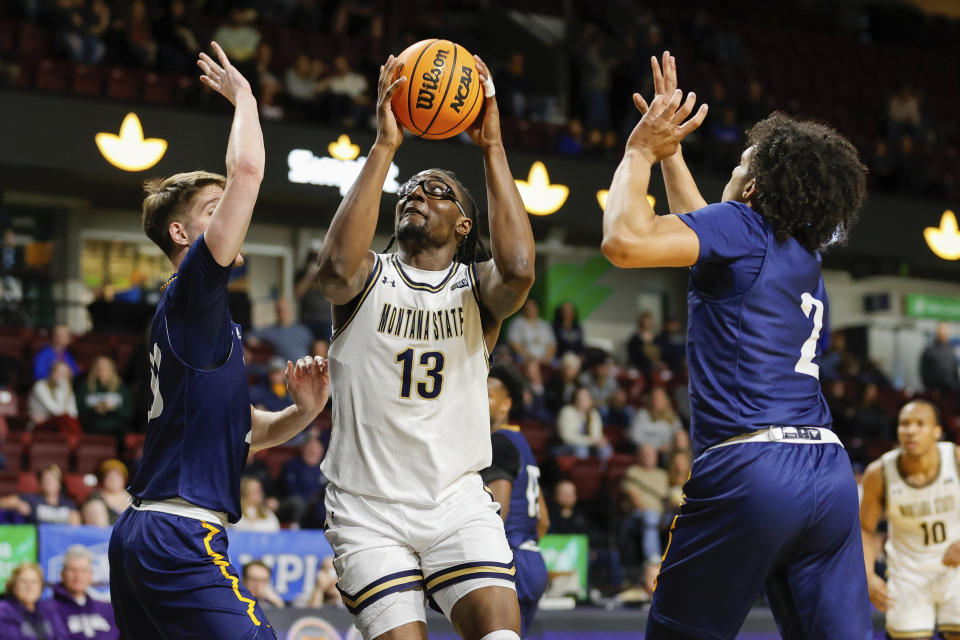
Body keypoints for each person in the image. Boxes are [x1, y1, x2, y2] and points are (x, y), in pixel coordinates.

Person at [601, 52, 870, 638]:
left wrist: (640, 152)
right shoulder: (802, 256)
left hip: (753, 468)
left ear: (750, 186)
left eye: (743, 160)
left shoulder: (740, 226)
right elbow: (700, 229)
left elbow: (624, 241)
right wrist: (673, 155)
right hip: (826, 472)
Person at [108, 42, 330, 640]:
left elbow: (245, 432)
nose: (230, 213)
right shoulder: (194, 290)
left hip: (143, 532)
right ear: (181, 232)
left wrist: (301, 413)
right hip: (178, 536)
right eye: (213, 208)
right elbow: (250, 172)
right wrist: (247, 98)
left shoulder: (199, 320)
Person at [314, 53, 534, 640]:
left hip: (455, 501)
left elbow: (517, 268)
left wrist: (491, 147)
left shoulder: (476, 288)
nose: (418, 194)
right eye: (410, 190)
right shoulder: (367, 278)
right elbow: (334, 267)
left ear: (464, 224)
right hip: (367, 507)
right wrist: (385, 147)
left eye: (437, 192)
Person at [860, 400, 960, 640]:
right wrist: (869, 576)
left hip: (955, 570)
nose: (910, 430)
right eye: (904, 424)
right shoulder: (879, 472)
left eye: (920, 424)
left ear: (937, 431)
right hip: (908, 575)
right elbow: (864, 528)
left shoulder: (956, 460)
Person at [480, 365, 549, 638]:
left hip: (510, 560)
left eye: (487, 395)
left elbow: (498, 511)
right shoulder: (521, 442)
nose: (477, 400)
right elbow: (544, 518)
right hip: (532, 558)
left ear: (506, 403)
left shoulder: (498, 443)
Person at [50, 546, 118, 640]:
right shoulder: (49, 609)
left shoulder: (107, 610)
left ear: (91, 575)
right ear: (62, 574)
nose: (78, 576)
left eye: (83, 571)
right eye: (73, 570)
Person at [620, 444, 669, 571]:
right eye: (645, 454)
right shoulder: (633, 472)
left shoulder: (663, 475)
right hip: (638, 516)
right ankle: (653, 560)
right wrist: (656, 517)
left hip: (662, 515)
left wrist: (663, 517)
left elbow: (667, 500)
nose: (648, 456)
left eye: (651, 454)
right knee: (650, 516)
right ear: (639, 456)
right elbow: (635, 500)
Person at [0, 562, 68, 639]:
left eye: (34, 582)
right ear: (13, 585)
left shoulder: (48, 610)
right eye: (23, 581)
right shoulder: (4, 611)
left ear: (41, 586)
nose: (29, 587)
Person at [0, 463, 82, 525]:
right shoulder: (32, 499)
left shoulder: (68, 504)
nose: (49, 483)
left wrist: (76, 520)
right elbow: (3, 502)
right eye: (46, 480)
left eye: (53, 479)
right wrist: (18, 504)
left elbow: (76, 525)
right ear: (40, 484)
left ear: (59, 483)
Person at [277, 434, 326, 528]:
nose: (313, 450)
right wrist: (312, 498)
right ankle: (296, 528)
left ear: (321, 450)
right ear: (304, 448)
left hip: (319, 505)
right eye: (310, 447)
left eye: (316, 447)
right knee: (298, 503)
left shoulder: (327, 469)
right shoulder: (292, 466)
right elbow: (291, 491)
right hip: (298, 503)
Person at [248, 299, 315, 364]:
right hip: (281, 369)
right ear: (276, 312)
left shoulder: (304, 331)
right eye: (279, 310)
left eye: (285, 310)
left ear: (291, 311)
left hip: (303, 368)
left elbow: (313, 349)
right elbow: (249, 337)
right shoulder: (270, 331)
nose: (282, 313)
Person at [78, 356, 132, 437]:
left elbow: (128, 412)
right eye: (99, 368)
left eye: (106, 368)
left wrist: (113, 409)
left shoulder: (121, 388)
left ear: (112, 370)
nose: (102, 371)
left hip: (116, 428)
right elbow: (79, 409)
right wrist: (95, 409)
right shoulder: (86, 387)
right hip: (92, 426)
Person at [28, 361, 81, 439]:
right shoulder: (40, 386)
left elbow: (74, 413)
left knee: (68, 420)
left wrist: (64, 388)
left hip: (59, 424)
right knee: (65, 419)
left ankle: (77, 443)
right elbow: (56, 411)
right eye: (58, 372)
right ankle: (78, 442)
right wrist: (63, 388)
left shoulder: (66, 388)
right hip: (40, 425)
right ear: (51, 373)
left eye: (64, 373)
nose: (61, 376)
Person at [555, 387, 608, 460]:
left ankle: (599, 471)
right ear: (575, 399)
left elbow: (597, 435)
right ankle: (581, 471)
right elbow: (567, 437)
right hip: (564, 446)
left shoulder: (593, 413)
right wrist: (591, 441)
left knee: (605, 449)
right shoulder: (566, 412)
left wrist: (598, 441)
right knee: (581, 450)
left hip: (588, 445)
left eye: (587, 398)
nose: (584, 400)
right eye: (581, 398)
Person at [628, 387, 682, 453]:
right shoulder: (642, 414)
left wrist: (671, 446)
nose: (657, 400)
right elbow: (634, 436)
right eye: (655, 398)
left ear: (666, 400)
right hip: (648, 451)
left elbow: (679, 435)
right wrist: (655, 447)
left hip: (669, 451)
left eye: (660, 397)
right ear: (650, 400)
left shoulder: (673, 416)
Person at [508, 299, 556, 365]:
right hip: (525, 359)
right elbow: (513, 343)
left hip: (545, 359)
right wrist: (529, 357)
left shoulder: (544, 324)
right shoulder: (517, 323)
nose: (530, 309)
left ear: (537, 308)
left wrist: (545, 358)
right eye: (528, 307)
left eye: (532, 307)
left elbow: (552, 344)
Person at [87, 460, 130, 525]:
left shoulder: (133, 497)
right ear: (103, 479)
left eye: (117, 477)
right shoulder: (96, 497)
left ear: (124, 479)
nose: (114, 480)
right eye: (110, 477)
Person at [920, 322, 959, 393]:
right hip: (934, 392)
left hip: (951, 391)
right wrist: (929, 388)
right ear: (937, 332)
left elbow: (955, 369)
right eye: (941, 330)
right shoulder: (929, 350)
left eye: (945, 330)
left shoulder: (951, 350)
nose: (943, 333)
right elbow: (923, 372)